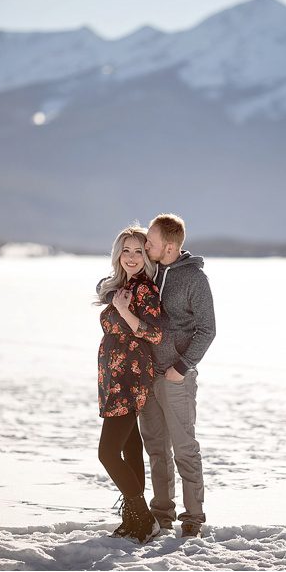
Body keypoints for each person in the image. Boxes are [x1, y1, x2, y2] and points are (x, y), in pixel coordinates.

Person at [140, 213, 216, 538]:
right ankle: (162, 514)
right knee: (157, 450)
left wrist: (181, 367)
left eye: (150, 241)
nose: (146, 246)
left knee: (184, 449)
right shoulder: (150, 272)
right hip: (148, 377)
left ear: (169, 247)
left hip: (176, 378)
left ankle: (193, 518)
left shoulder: (195, 279)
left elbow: (207, 330)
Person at [94, 225, 163, 542]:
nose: (132, 257)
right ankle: (132, 521)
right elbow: (102, 288)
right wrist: (114, 298)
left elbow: (155, 333)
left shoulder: (144, 289)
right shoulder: (121, 286)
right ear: (117, 254)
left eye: (138, 251)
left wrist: (123, 309)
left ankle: (145, 519)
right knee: (130, 447)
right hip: (114, 375)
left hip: (130, 377)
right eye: (126, 250)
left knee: (107, 453)